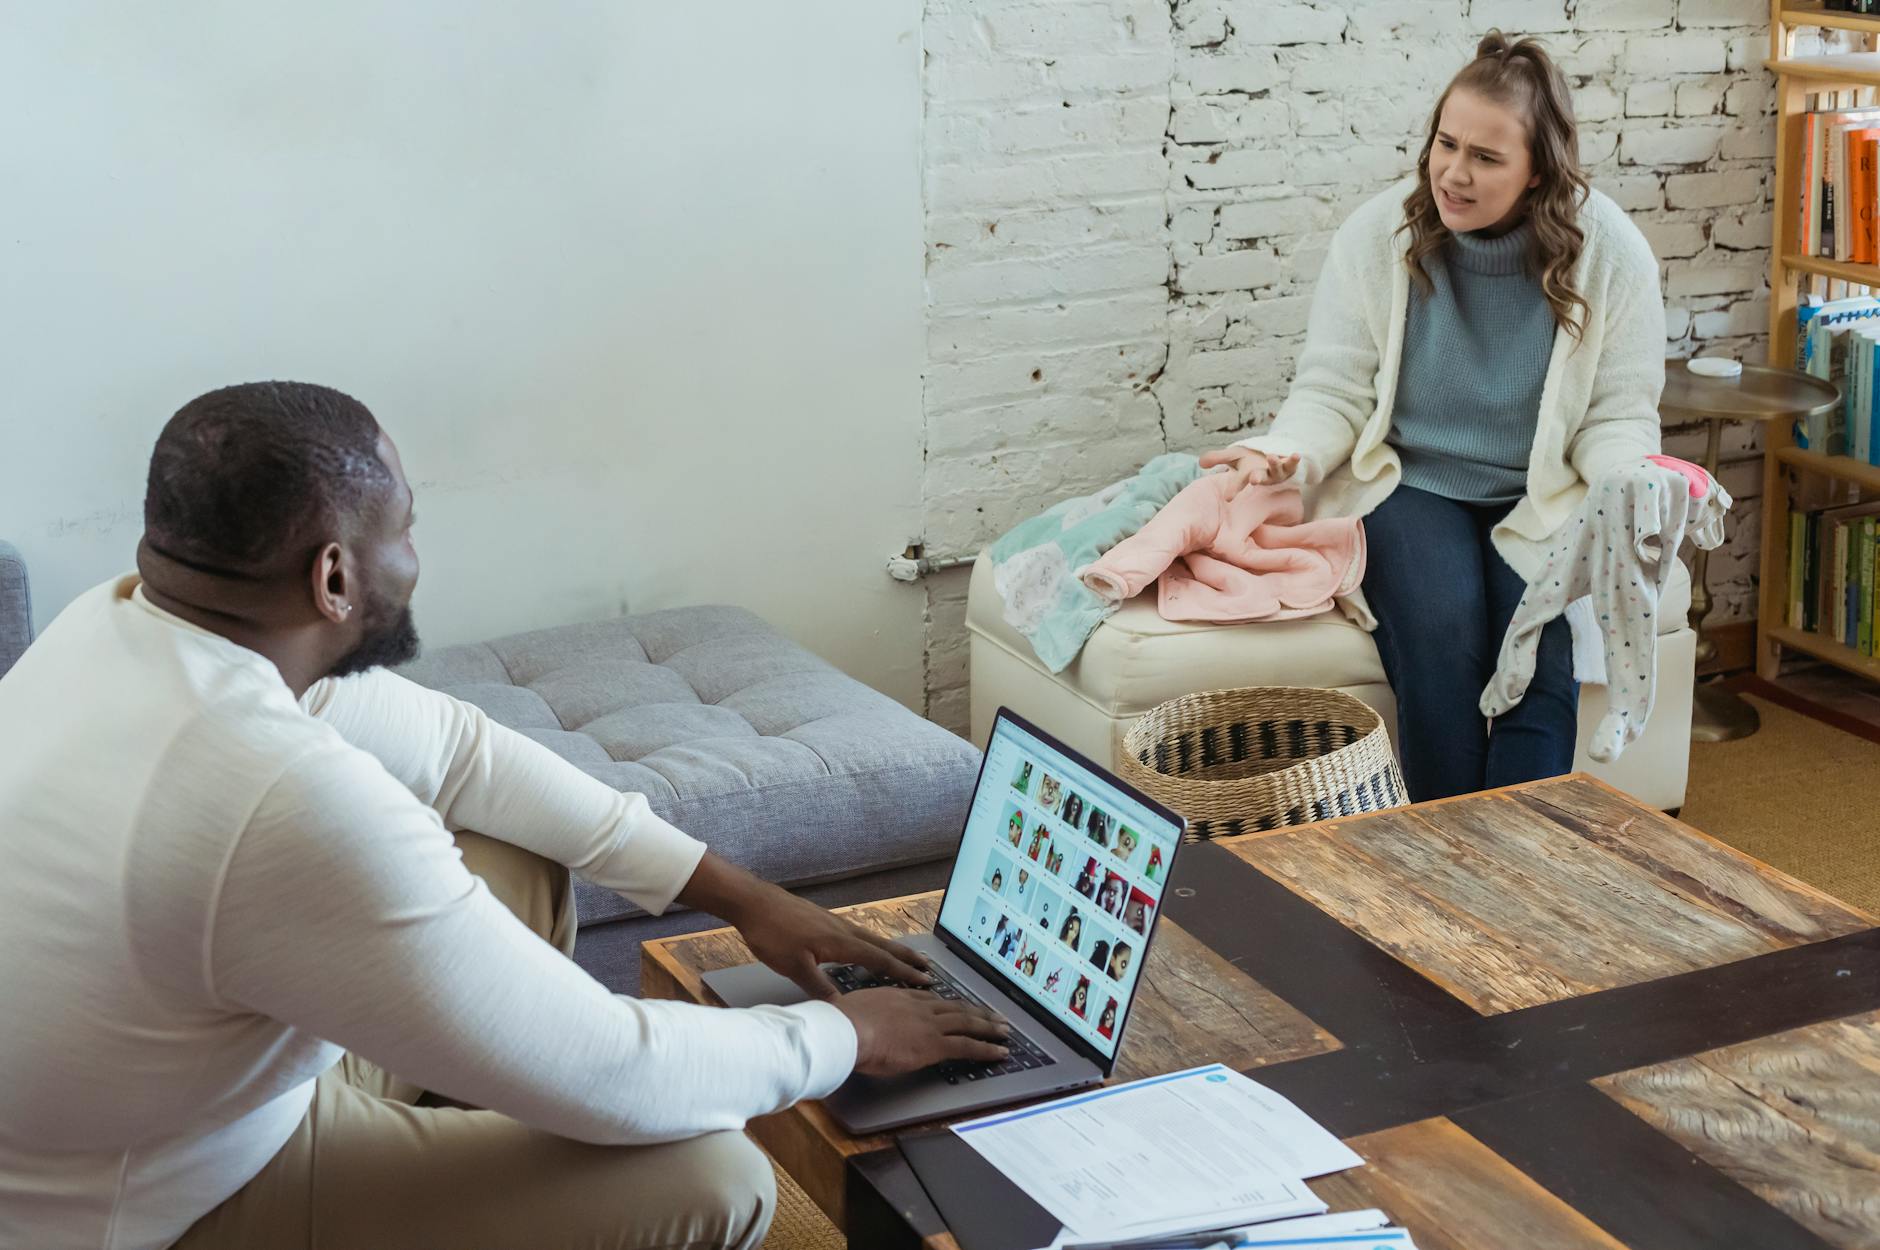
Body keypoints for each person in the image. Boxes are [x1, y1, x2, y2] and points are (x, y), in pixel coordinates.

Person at [0, 383, 1011, 1250]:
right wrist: (846, 1032)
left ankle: (485, 1110)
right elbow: (617, 1070)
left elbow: (459, 750)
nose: (414, 554)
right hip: (156, 1208)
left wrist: (743, 895)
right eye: (403, 527)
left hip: (201, 1097)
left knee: (508, 853)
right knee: (714, 1174)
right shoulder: (277, 792)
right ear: (335, 577)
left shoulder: (123, 622)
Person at [1201, 32, 1662, 802]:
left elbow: (1617, 414)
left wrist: (1632, 478)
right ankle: (1441, 857)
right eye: (1446, 144)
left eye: (1486, 157)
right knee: (1444, 636)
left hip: (1538, 495)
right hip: (1412, 483)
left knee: (1538, 662)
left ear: (1537, 170)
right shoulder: (1381, 235)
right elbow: (1334, 390)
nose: (1454, 171)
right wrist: (1287, 449)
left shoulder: (1609, 253)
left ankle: (1517, 872)